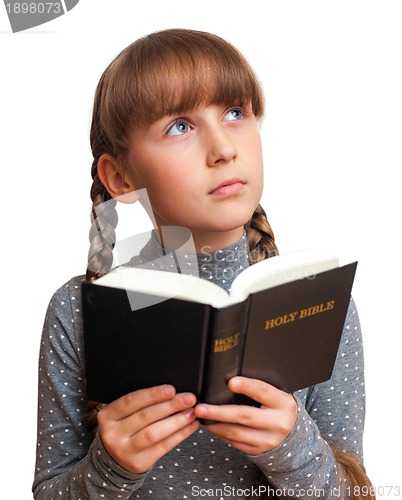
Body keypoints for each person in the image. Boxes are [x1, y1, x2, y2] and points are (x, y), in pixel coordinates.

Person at [33, 29, 373, 499]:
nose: (223, 149)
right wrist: (110, 467)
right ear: (119, 176)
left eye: (235, 113)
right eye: (180, 126)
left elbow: (355, 493)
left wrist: (293, 449)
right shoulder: (76, 311)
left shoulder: (322, 303)